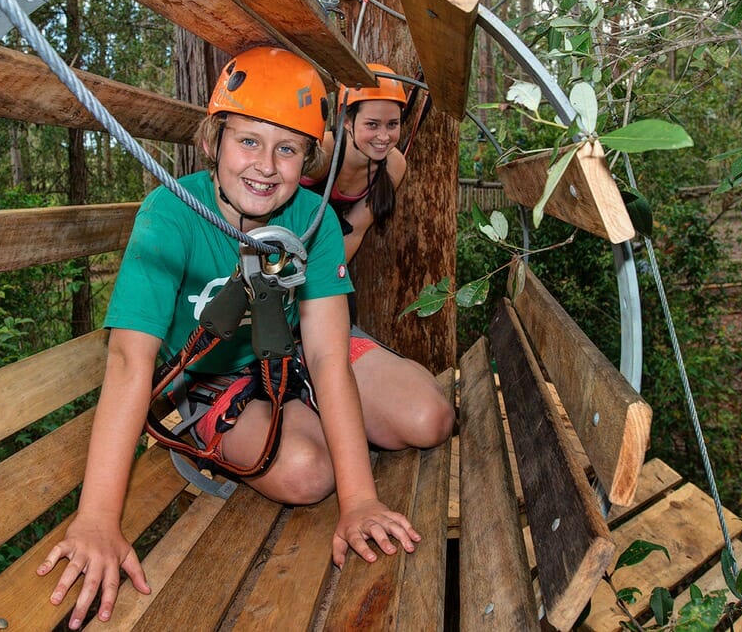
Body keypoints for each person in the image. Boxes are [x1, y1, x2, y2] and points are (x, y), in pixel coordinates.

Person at [37, 47, 453, 630]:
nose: (266, 165)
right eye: (248, 142)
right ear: (214, 141)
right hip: (215, 373)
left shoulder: (313, 218)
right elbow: (131, 364)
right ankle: (282, 428)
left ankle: (322, 418)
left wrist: (360, 501)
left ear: (309, 158)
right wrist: (99, 517)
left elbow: (330, 354)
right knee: (308, 473)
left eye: (287, 148)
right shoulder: (171, 212)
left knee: (429, 418)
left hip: (300, 353)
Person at [302, 62, 409, 263]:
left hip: (322, 250)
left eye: (393, 124)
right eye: (372, 124)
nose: (384, 137)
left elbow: (354, 231)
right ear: (347, 121)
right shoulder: (324, 151)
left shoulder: (395, 164)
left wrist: (327, 279)